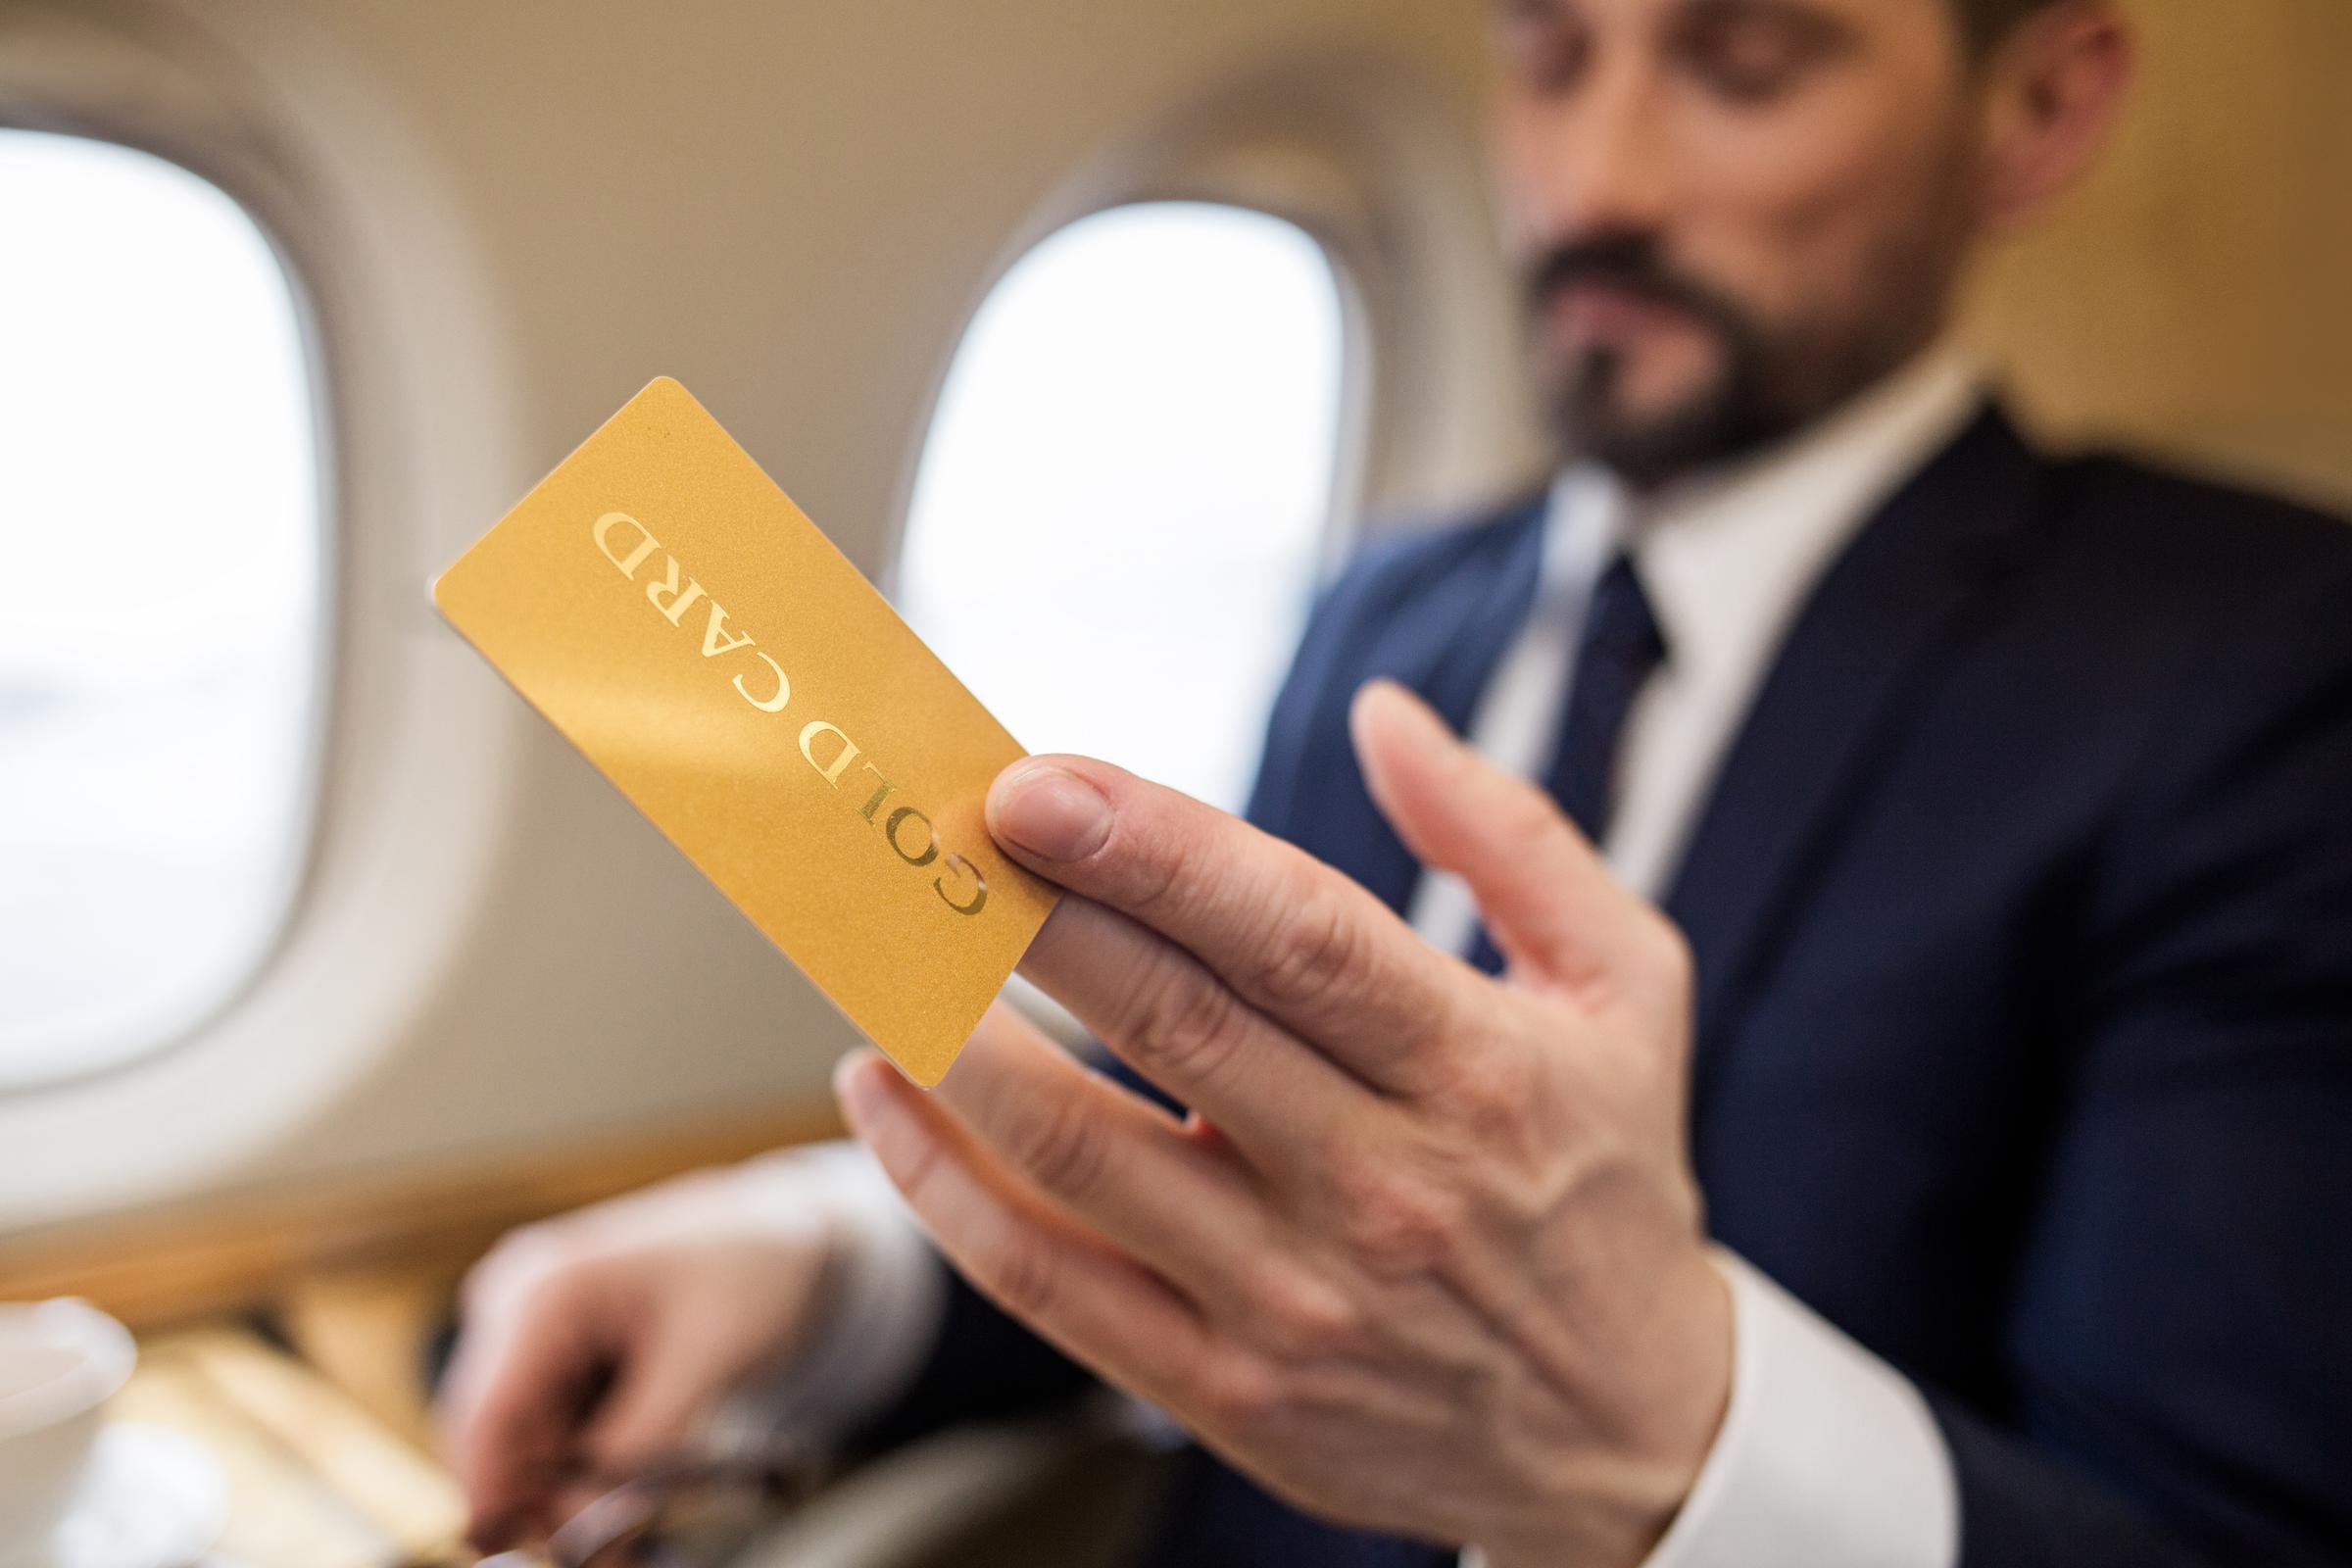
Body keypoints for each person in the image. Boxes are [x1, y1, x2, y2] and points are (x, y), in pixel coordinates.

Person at [439, 0, 2352, 1562]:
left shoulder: (2257, 673)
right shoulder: (1393, 605)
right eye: (1548, 54)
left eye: (1747, 64)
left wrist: (1676, 1429)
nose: (1595, 182)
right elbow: (1230, 1163)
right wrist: (816, 1263)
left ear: (2036, 108)